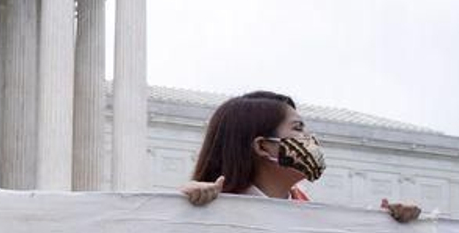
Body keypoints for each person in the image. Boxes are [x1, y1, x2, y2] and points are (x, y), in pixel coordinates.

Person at [178, 90, 420, 221]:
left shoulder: (314, 219)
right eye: (298, 129)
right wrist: (181, 208)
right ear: (263, 146)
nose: (310, 140)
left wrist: (393, 228)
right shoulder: (207, 210)